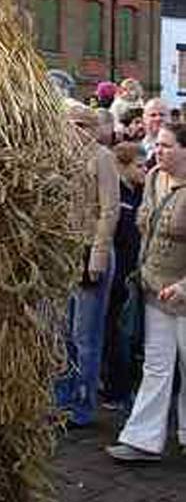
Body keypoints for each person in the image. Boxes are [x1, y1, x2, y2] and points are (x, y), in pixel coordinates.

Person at [107, 124, 186, 461]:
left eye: (167, 146)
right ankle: (142, 439)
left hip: (182, 292)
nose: (159, 150)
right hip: (154, 287)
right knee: (156, 364)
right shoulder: (153, 177)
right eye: (160, 145)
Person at [56, 102, 120, 427]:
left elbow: (109, 212)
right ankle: (62, 398)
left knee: (86, 336)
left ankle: (82, 404)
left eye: (77, 126)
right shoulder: (63, 157)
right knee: (63, 333)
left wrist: (97, 256)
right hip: (66, 254)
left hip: (90, 253)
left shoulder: (103, 158)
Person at [101, 142, 144, 409]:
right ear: (122, 166)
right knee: (118, 334)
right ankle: (117, 391)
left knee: (128, 334)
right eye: (139, 166)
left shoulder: (142, 193)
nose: (144, 170)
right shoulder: (116, 194)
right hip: (119, 275)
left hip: (135, 273)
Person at [141, 98, 168, 168]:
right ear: (144, 119)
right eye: (153, 115)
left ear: (169, 118)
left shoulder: (180, 148)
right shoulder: (133, 147)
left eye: (162, 115)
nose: (158, 118)